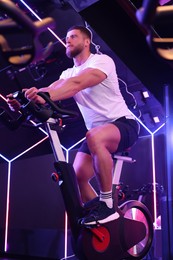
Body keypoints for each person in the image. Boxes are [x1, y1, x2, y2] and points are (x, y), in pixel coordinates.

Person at [7, 25, 139, 225]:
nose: (67, 40)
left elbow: (78, 84)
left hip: (123, 124)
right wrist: (26, 99)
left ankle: (108, 206)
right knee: (76, 177)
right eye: (66, 38)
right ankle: (108, 223)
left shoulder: (101, 61)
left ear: (87, 42)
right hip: (97, 133)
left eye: (73, 37)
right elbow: (52, 88)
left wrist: (44, 95)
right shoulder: (67, 73)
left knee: (94, 136)